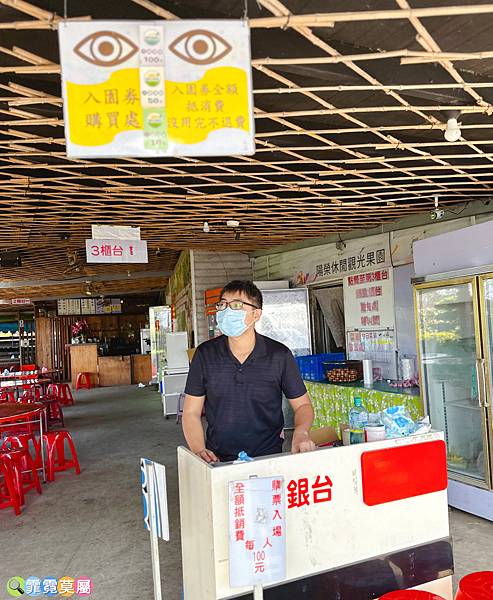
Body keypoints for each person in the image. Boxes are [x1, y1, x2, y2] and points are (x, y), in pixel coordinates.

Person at [182, 280, 316, 463]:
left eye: (236, 305)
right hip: (218, 459)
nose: (226, 311)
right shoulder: (205, 354)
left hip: (269, 456)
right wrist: (199, 450)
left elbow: (302, 406)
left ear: (256, 314)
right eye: (223, 305)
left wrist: (301, 432)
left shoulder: (279, 355)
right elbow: (191, 412)